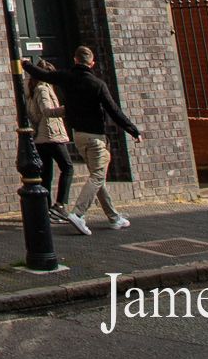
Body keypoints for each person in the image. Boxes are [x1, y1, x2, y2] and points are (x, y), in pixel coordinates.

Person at [22, 46, 141, 235]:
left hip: (78, 138)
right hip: (95, 137)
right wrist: (132, 130)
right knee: (97, 176)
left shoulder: (67, 77)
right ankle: (78, 213)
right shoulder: (97, 84)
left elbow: (43, 75)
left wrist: (25, 64)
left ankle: (114, 217)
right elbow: (113, 110)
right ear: (92, 63)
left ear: (75, 60)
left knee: (97, 176)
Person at [24, 63, 74, 218]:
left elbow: (33, 114)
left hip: (41, 138)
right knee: (68, 167)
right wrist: (67, 110)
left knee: (46, 174)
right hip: (52, 136)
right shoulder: (43, 89)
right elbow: (46, 111)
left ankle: (44, 208)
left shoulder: (33, 90)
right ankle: (59, 205)